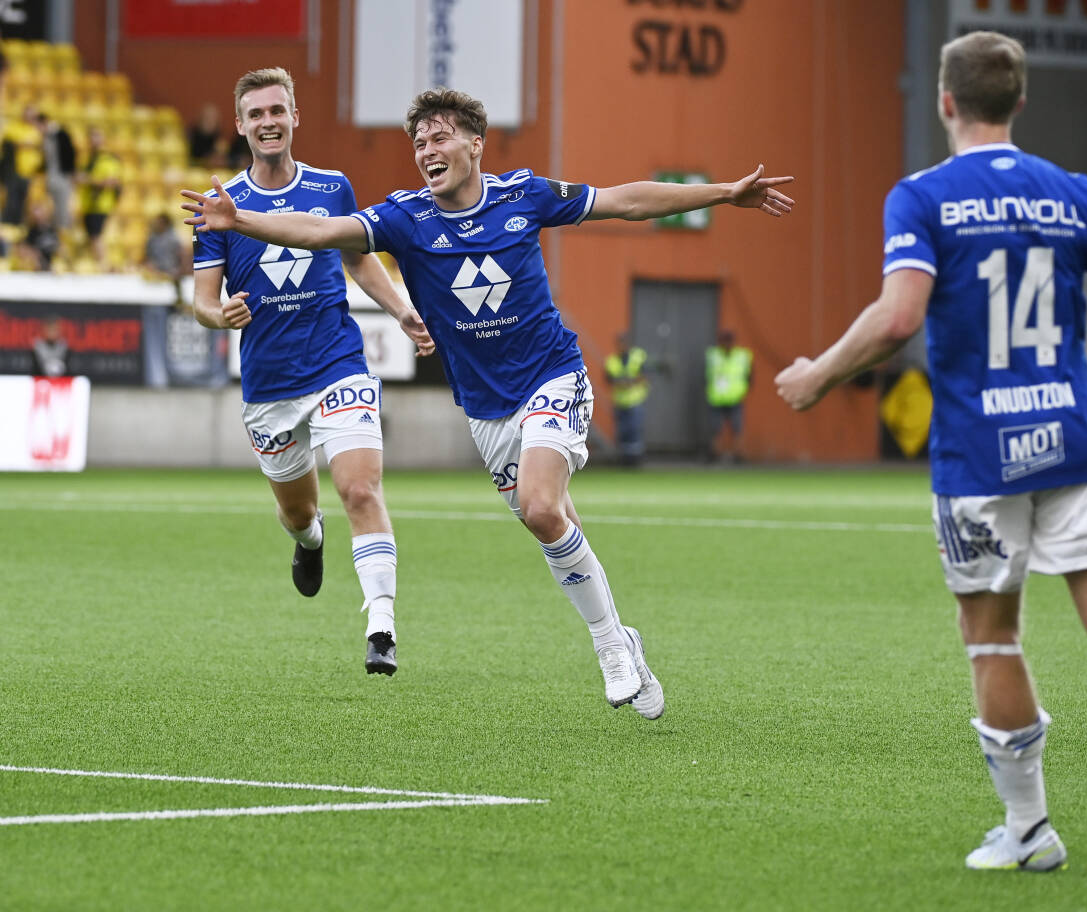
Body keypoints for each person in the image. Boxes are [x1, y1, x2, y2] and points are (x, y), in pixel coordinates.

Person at [775, 31, 1087, 873]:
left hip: (980, 453)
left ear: (946, 102)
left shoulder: (921, 197)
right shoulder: (1073, 194)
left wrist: (819, 376)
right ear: (1018, 102)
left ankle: (1029, 830)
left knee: (993, 637)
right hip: (1070, 437)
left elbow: (900, 316)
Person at [183, 87, 794, 717]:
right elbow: (321, 231)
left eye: (441, 137)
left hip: (551, 376)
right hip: (485, 408)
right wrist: (245, 221)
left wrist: (722, 193)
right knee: (554, 520)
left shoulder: (522, 195)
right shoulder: (403, 218)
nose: (427, 151)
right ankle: (624, 635)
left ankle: (609, 643)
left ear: (476, 143)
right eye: (419, 142)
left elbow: (625, 200)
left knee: (538, 507)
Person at [186, 68, 436, 675]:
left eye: (278, 110)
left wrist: (403, 308)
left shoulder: (332, 188)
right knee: (298, 513)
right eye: (256, 114)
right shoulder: (221, 206)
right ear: (241, 126)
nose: (268, 122)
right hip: (269, 386)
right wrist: (221, 317)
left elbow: (360, 260)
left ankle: (381, 623)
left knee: (359, 487)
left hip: (338, 365)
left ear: (295, 117)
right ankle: (310, 540)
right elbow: (201, 300)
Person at [77, 127, 122, 270]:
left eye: (96, 137)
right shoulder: (89, 159)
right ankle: (98, 264)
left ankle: (103, 265)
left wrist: (88, 180)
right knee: (91, 236)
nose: (92, 141)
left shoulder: (107, 158)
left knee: (96, 235)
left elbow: (112, 181)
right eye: (91, 137)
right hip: (89, 204)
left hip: (100, 203)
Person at [705, 329, 752, 462]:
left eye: (729, 342)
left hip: (735, 397)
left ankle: (739, 455)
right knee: (715, 428)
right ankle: (714, 454)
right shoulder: (713, 355)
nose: (727, 345)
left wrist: (744, 391)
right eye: (724, 342)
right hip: (716, 398)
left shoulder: (742, 356)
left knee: (737, 428)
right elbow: (706, 375)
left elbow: (749, 376)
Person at [603, 332, 649, 466]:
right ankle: (624, 460)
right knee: (622, 432)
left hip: (635, 401)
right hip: (619, 402)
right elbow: (608, 379)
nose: (622, 346)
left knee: (635, 431)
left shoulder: (638, 357)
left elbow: (644, 375)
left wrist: (629, 383)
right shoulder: (612, 360)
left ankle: (636, 461)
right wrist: (621, 384)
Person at [1, 105, 44, 226]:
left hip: (30, 172)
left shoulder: (36, 131)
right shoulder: (14, 127)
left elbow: (40, 148)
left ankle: (19, 225)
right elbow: (7, 144)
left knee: (24, 200)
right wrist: (22, 144)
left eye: (32, 115)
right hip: (14, 170)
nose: (29, 117)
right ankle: (8, 225)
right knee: (12, 200)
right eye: (28, 114)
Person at [38, 112, 77, 230]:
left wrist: (70, 173)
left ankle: (64, 234)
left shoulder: (61, 135)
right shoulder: (45, 138)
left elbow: (70, 154)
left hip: (62, 177)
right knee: (52, 209)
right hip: (51, 178)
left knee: (63, 208)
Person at [15, 198, 60, 271]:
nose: (37, 215)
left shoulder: (53, 229)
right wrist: (32, 253)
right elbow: (22, 248)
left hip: (53, 265)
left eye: (39, 211)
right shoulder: (31, 231)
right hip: (38, 266)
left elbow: (59, 247)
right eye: (34, 212)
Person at [188, 102, 228, 169]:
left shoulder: (219, 138)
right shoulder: (191, 136)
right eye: (207, 118)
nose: (210, 122)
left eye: (213, 119)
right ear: (200, 119)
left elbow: (226, 160)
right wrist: (206, 161)